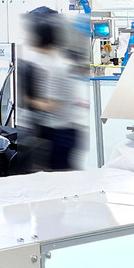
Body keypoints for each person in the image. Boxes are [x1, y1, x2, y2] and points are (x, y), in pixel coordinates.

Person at [19, 12, 83, 172]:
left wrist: (26, 100)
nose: (27, 38)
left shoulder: (54, 67)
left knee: (59, 178)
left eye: (30, 35)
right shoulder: (51, 61)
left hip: (61, 133)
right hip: (58, 130)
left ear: (39, 38)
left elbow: (52, 106)